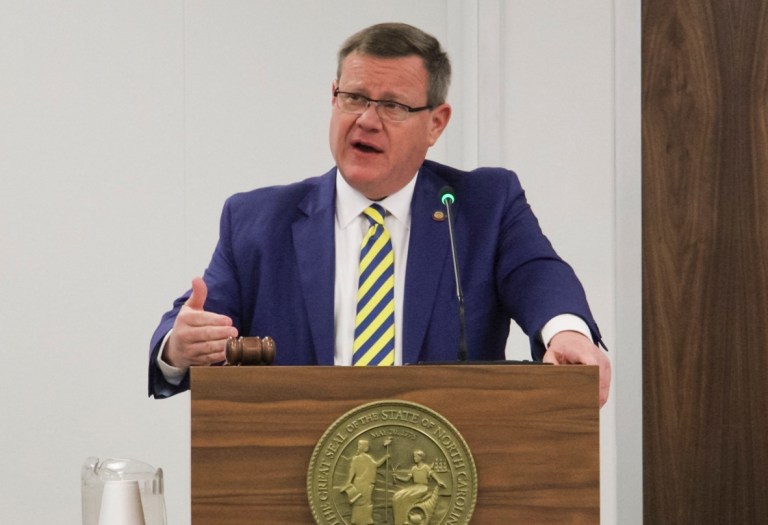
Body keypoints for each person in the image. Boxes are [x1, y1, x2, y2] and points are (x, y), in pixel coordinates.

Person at [148, 22, 611, 406]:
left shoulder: (482, 205)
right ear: (334, 98)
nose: (366, 120)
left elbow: (538, 274)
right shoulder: (257, 220)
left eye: (391, 106)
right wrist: (179, 346)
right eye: (354, 98)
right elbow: (196, 322)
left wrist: (566, 332)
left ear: (436, 123)